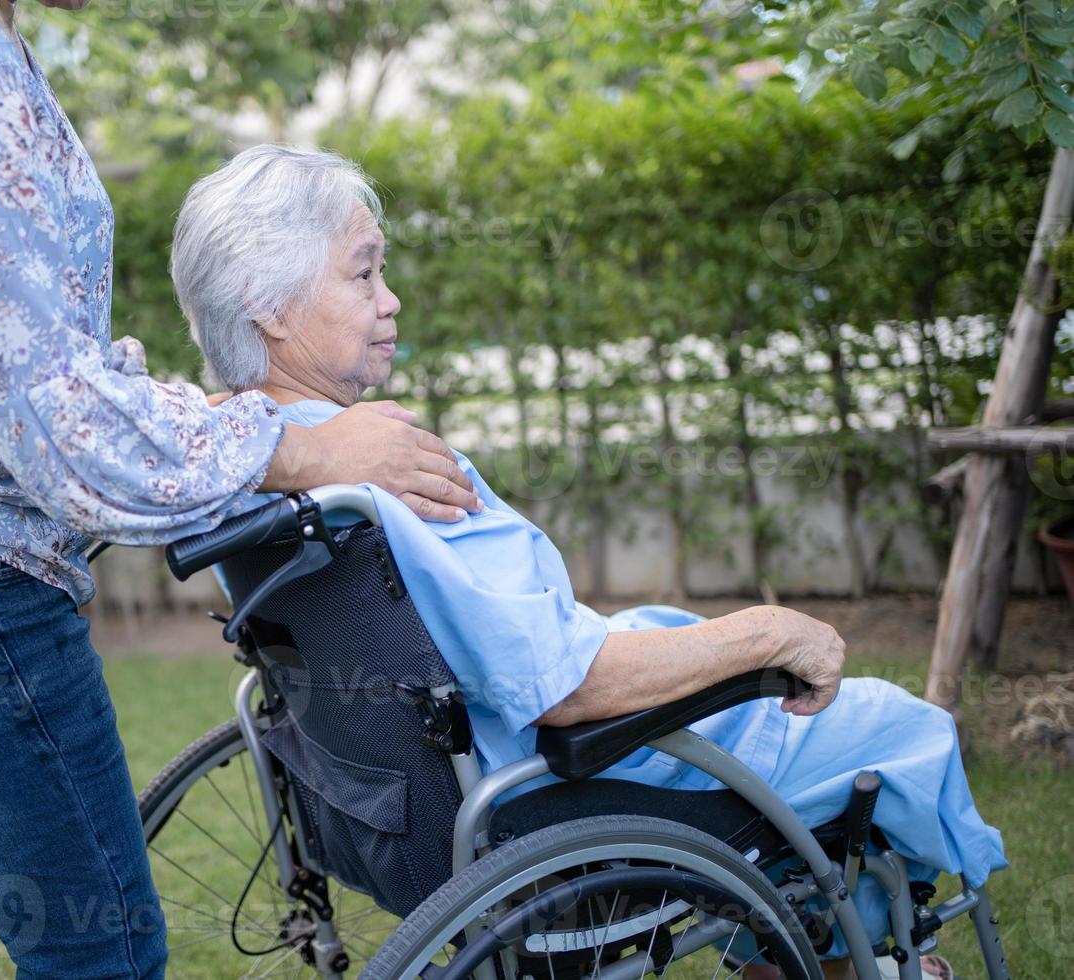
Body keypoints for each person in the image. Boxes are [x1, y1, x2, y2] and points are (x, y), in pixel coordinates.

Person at [0, 2, 481, 976]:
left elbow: (13, 363)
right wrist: (297, 447)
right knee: (103, 953)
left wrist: (207, 418)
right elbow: (54, 418)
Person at [170, 143, 1005, 980]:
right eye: (363, 275)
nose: (390, 302)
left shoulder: (245, 470)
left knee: (691, 655)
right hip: (552, 790)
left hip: (384, 812)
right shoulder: (384, 476)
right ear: (270, 310)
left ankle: (799, 959)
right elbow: (572, 689)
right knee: (902, 730)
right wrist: (770, 631)